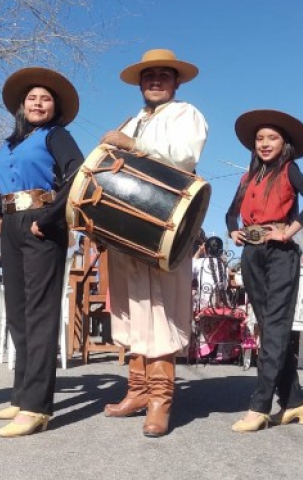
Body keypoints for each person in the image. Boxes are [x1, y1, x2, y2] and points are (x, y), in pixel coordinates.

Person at [99, 49, 207, 438]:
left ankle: (161, 401)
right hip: (127, 230)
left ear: (176, 82)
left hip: (164, 226)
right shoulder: (133, 120)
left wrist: (133, 146)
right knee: (131, 310)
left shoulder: (186, 114)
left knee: (160, 310)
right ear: (141, 84)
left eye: (164, 75)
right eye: (149, 76)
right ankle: (137, 391)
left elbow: (184, 157)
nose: (156, 81)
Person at [0, 67, 83, 438]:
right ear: (21, 107)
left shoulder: (57, 136)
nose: (38, 103)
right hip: (11, 227)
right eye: (32, 98)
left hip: (43, 224)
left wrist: (53, 216)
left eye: (45, 99)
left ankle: (37, 407)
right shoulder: (7, 145)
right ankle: (21, 394)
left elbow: (78, 173)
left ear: (54, 107)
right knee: (18, 314)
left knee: (41, 314)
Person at [224, 109, 303, 433]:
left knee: (276, 329)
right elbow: (230, 214)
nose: (265, 144)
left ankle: (260, 405)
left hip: (281, 254)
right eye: (260, 139)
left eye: (273, 138)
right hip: (252, 255)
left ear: (285, 143)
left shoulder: (290, 170)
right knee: (268, 327)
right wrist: (233, 231)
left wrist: (291, 230)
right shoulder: (247, 178)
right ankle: (294, 402)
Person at [192, 236, 229, 310]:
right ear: (221, 251)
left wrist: (199, 251)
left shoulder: (200, 262)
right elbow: (226, 285)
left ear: (205, 250)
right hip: (221, 307)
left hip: (203, 307)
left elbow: (189, 271)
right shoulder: (224, 267)